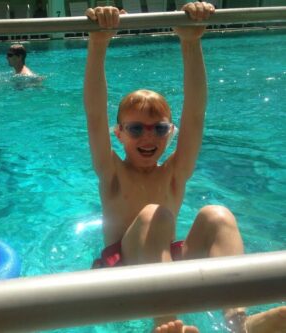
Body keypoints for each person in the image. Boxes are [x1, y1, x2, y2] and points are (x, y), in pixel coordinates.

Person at [83, 3, 286, 333]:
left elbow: (194, 115)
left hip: (166, 266)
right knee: (155, 214)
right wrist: (98, 43)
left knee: (217, 215)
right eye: (136, 129)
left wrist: (190, 42)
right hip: (124, 270)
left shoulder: (173, 175)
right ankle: (167, 322)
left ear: (170, 133)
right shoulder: (113, 175)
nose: (148, 137)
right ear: (118, 134)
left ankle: (239, 321)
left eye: (159, 129)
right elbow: (94, 115)